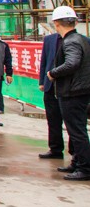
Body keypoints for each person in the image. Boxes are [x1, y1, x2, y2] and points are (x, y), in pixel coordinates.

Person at [44, 6, 90, 181]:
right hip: (78, 90)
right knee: (76, 130)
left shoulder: (71, 41)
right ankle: (77, 162)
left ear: (56, 24)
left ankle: (85, 168)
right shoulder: (82, 39)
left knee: (77, 131)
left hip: (73, 92)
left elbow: (72, 63)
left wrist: (53, 73)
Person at [38, 30, 71, 160]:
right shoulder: (49, 40)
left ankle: (75, 153)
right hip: (50, 86)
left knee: (71, 122)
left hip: (69, 87)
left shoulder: (78, 40)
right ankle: (55, 149)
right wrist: (42, 81)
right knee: (53, 120)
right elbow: (44, 61)